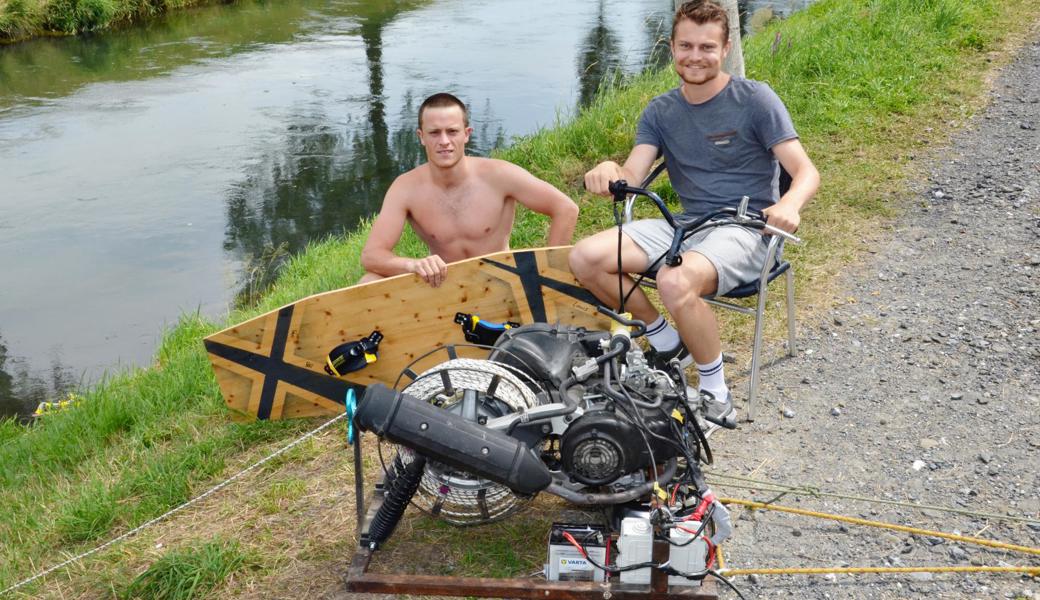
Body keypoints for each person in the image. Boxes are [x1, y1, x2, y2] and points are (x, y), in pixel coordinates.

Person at [570, 0, 819, 421]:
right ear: (672, 48)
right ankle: (664, 338)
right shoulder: (661, 111)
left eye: (707, 47)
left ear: (724, 50)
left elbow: (806, 171)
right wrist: (609, 170)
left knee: (674, 278)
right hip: (686, 226)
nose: (695, 57)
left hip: (746, 229)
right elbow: (632, 173)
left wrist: (789, 204)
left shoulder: (755, 99)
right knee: (585, 257)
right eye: (686, 46)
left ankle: (715, 391)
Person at [360, 93, 578, 287]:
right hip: (443, 284)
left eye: (452, 131)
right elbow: (372, 256)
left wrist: (550, 273)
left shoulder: (499, 175)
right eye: (434, 133)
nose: (444, 141)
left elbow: (565, 208)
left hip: (500, 281)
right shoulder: (405, 188)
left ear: (466, 133)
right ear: (421, 137)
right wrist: (412, 265)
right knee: (368, 282)